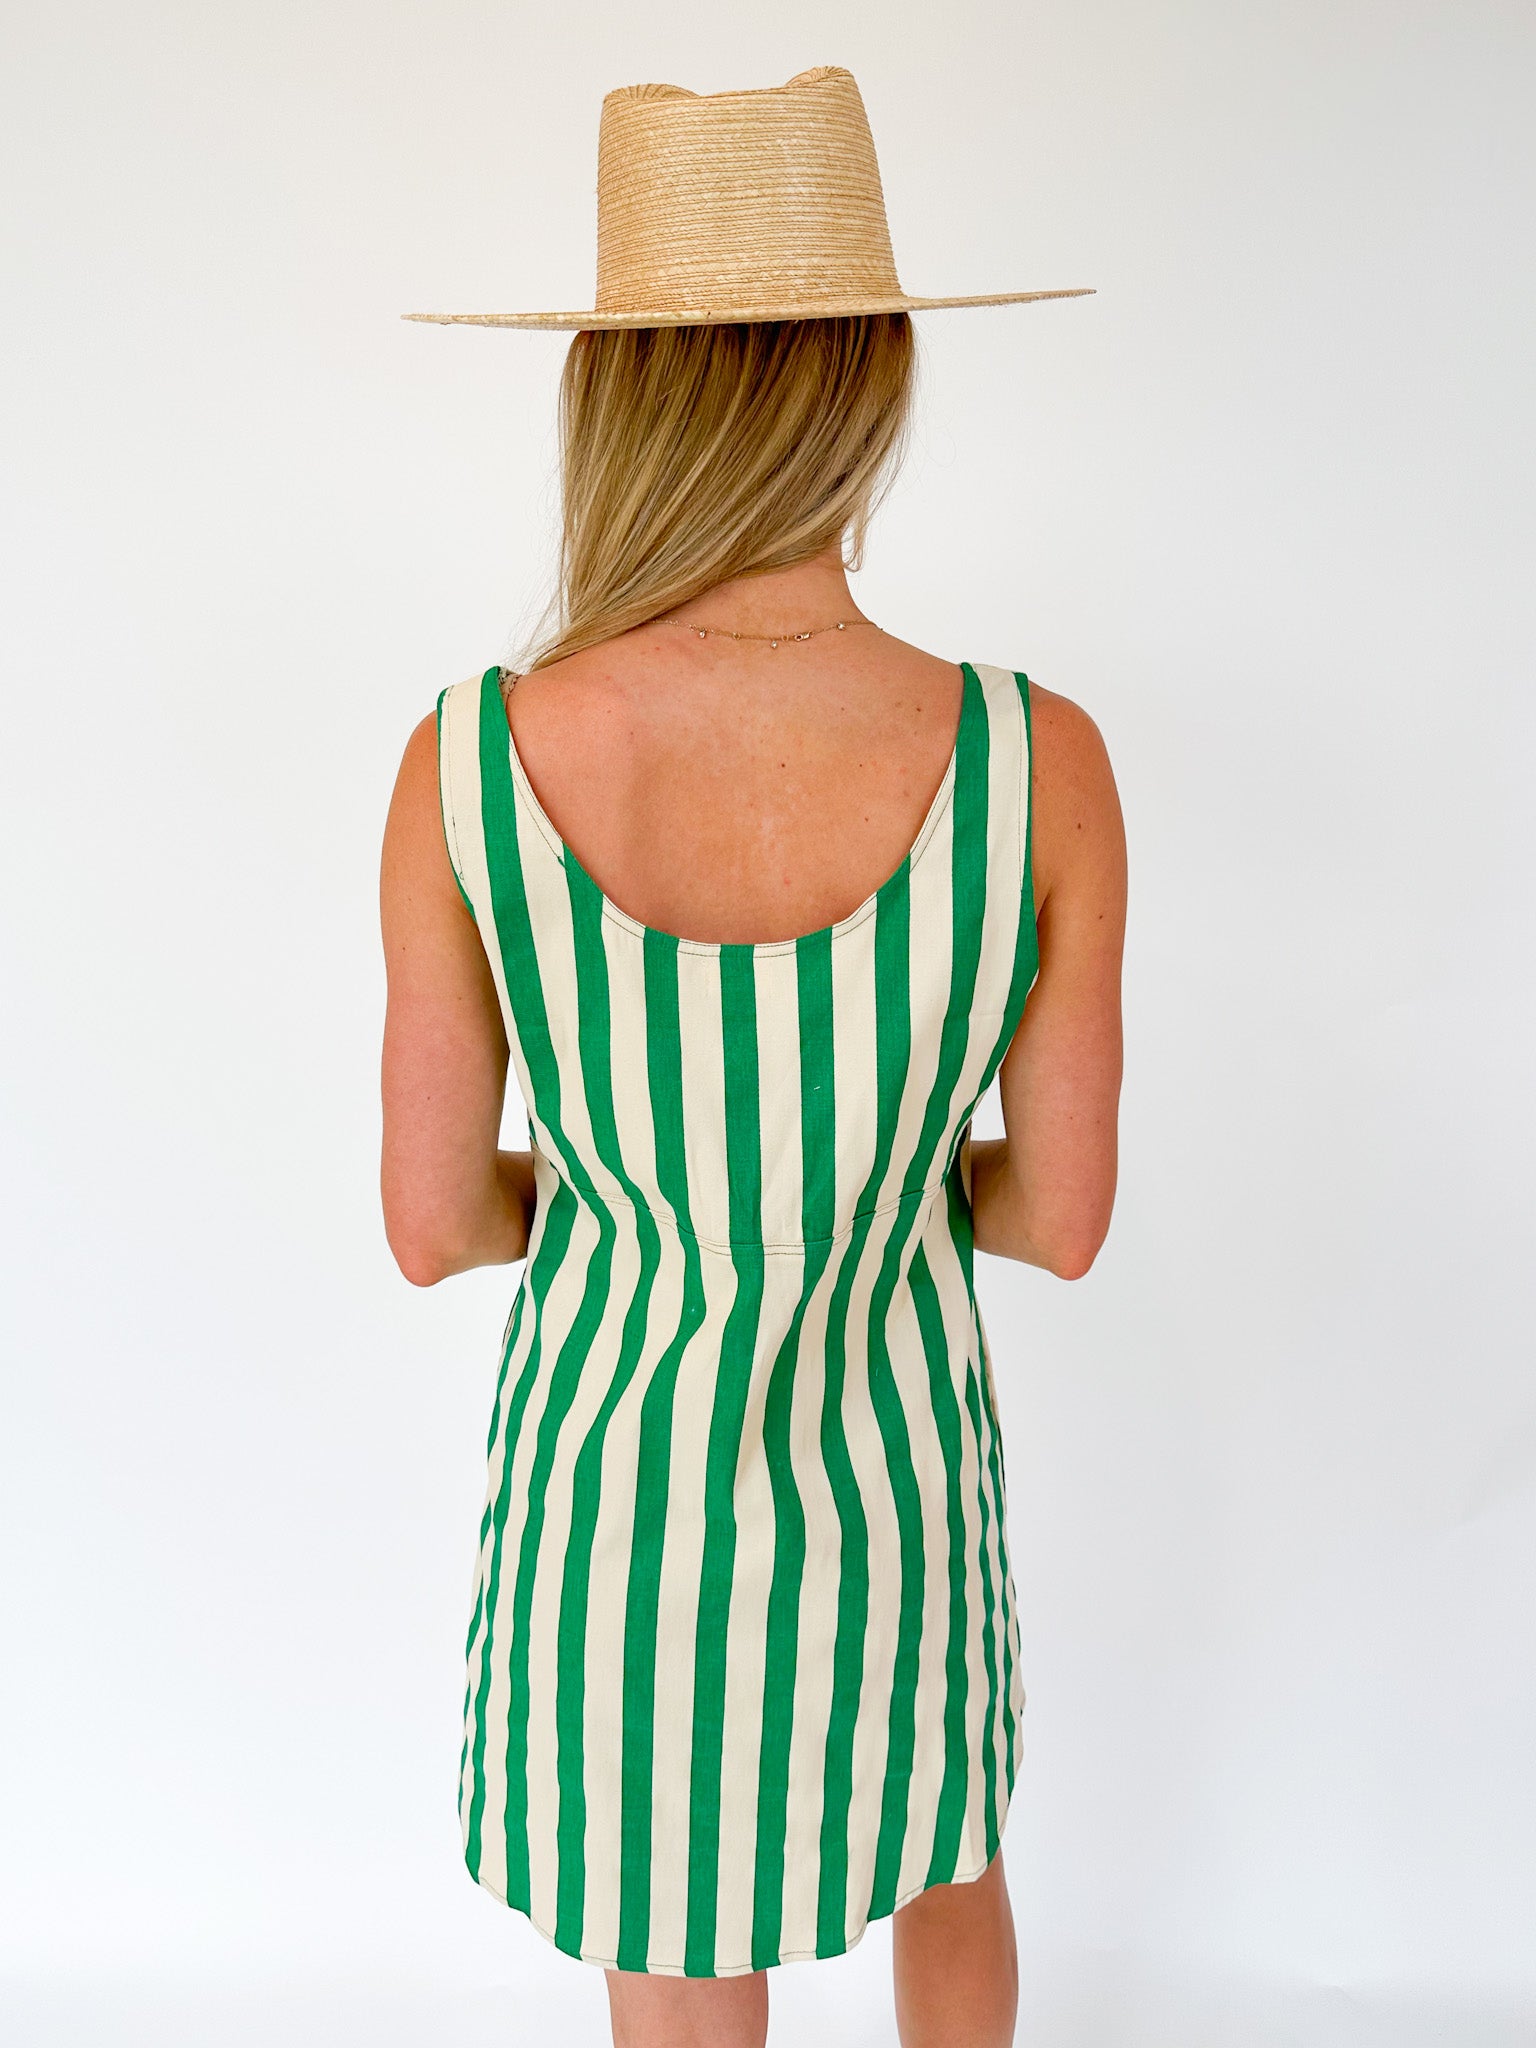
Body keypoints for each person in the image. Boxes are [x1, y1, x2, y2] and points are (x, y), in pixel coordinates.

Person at [379, 66, 1125, 2048]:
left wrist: (650, 1191)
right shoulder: (1034, 760)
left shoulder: (470, 765)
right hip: (895, 1489)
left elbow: (435, 1225)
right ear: (874, 375)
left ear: (611, 398)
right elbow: (1060, 1217)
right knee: (947, 1857)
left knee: (680, 1937)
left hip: (620, 1517)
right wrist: (852, 1177)